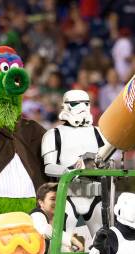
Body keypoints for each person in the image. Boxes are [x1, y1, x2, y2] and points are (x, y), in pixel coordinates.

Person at [41, 90, 107, 235]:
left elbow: (106, 161)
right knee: (62, 242)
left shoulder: (98, 132)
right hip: (68, 194)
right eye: (77, 103)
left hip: (95, 194)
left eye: (86, 103)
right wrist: (71, 171)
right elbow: (49, 167)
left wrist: (97, 165)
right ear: (66, 106)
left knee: (105, 244)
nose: (82, 107)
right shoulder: (54, 134)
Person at [30, 182, 84, 254]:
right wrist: (71, 240)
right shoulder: (36, 215)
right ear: (41, 202)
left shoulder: (62, 217)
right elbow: (45, 231)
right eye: (53, 199)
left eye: (60, 199)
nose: (57, 202)